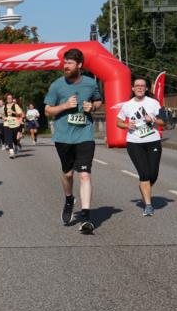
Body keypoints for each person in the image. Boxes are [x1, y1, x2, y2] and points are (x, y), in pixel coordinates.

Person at [44, 48, 103, 233]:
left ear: (79, 65)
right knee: (68, 174)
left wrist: (92, 107)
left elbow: (99, 101)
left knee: (84, 174)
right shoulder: (57, 85)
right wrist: (64, 106)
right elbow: (47, 110)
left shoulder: (90, 84)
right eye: (65, 63)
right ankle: (69, 199)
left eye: (69, 63)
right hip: (63, 137)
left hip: (85, 135)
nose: (66, 66)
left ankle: (86, 218)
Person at [116, 77, 165, 216]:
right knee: (144, 174)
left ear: (146, 88)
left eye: (142, 86)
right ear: (132, 88)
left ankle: (144, 188)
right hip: (134, 143)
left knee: (153, 175)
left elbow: (164, 122)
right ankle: (148, 205)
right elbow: (118, 122)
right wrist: (127, 125)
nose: (139, 88)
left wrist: (153, 119)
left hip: (153, 141)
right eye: (137, 85)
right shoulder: (127, 105)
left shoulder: (154, 103)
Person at [2, 94, 24, 158]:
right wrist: (3, 117)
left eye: (10, 98)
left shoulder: (15, 105)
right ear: (6, 99)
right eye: (8, 98)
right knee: (9, 138)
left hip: (15, 123)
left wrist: (13, 112)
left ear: (12, 99)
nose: (9, 99)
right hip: (7, 123)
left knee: (15, 138)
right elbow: (2, 114)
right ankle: (11, 152)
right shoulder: (4, 106)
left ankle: (16, 146)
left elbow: (20, 114)